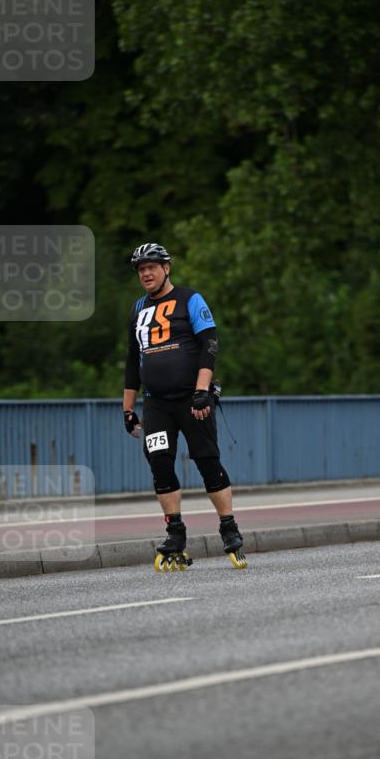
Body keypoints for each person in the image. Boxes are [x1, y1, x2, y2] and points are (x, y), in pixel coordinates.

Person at [123, 242, 247, 570]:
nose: (146, 273)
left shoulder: (190, 299)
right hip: (157, 404)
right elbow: (132, 361)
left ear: (167, 268)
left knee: (207, 461)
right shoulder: (138, 309)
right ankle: (175, 533)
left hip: (193, 399)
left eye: (152, 266)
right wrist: (127, 407)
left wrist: (202, 391)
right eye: (140, 269)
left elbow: (210, 344)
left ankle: (229, 528)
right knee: (160, 465)